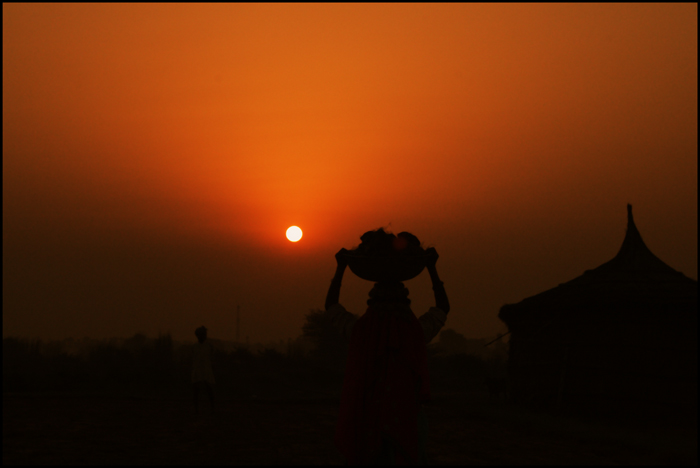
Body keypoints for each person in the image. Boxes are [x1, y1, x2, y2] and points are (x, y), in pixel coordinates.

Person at [326, 246, 449, 465]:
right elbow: (442, 308)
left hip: (367, 418)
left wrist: (341, 268)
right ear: (406, 305)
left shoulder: (361, 331)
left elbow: (332, 307)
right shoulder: (414, 332)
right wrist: (432, 268)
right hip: (407, 419)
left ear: (371, 306)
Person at [192, 326, 215, 416]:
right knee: (196, 392)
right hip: (197, 371)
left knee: (210, 391)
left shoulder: (209, 347)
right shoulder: (195, 347)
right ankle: (196, 410)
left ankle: (212, 409)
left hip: (206, 371)